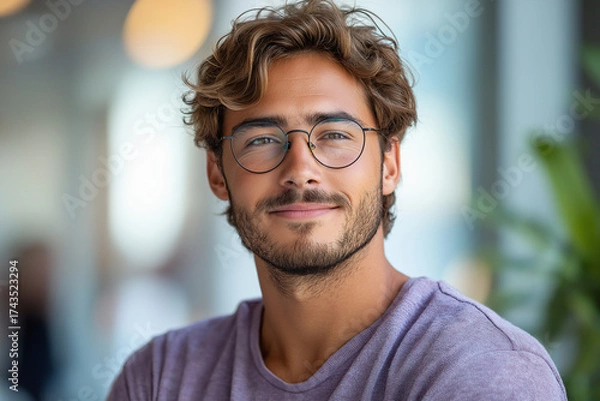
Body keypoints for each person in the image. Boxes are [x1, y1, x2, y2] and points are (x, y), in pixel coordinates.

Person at [107, 1, 566, 399]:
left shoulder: (482, 371)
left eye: (335, 135)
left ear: (389, 165)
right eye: (262, 139)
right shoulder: (159, 378)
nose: (300, 169)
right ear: (218, 174)